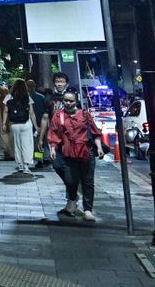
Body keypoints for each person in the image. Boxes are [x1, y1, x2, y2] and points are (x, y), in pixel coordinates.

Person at [47, 87, 108, 221]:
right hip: (68, 153)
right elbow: (54, 134)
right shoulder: (59, 116)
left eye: (71, 101)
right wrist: (53, 148)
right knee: (70, 180)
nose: (68, 103)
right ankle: (73, 198)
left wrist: (99, 148)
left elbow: (95, 132)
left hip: (86, 152)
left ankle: (87, 209)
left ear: (76, 101)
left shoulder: (85, 115)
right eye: (66, 101)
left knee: (88, 181)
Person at [4, 80, 37, 174]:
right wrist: (36, 125)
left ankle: (20, 165)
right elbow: (32, 113)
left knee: (17, 145)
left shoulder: (9, 97)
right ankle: (26, 166)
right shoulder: (27, 97)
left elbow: (5, 111)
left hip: (14, 124)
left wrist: (3, 123)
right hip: (26, 124)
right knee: (27, 145)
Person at [48, 72, 71, 180]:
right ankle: (69, 183)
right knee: (56, 164)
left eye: (62, 82)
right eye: (57, 82)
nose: (59, 84)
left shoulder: (72, 97)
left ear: (66, 83)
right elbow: (45, 117)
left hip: (70, 135)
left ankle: (71, 185)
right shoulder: (49, 98)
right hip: (55, 135)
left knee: (70, 162)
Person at [27, 79, 50, 169]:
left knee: (37, 143)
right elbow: (46, 111)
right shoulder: (41, 97)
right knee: (44, 141)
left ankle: (39, 160)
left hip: (33, 123)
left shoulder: (27, 98)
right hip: (43, 121)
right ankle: (46, 158)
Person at [0, 85, 13, 160]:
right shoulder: (11, 99)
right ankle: (12, 154)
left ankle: (7, 153)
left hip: (2, 120)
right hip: (11, 120)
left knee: (3, 135)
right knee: (11, 136)